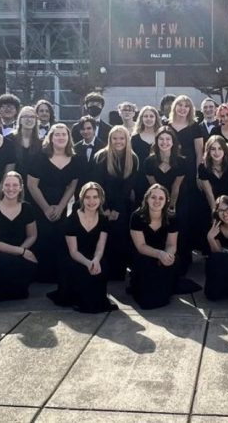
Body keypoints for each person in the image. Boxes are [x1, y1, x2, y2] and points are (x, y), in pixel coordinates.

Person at [47, 182, 116, 313]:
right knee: (81, 270)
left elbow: (100, 247)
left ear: (101, 199)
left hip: (93, 254)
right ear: (82, 199)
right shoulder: (71, 220)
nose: (91, 201)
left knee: (103, 266)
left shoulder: (103, 220)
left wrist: (95, 261)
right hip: (75, 257)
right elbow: (73, 251)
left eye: (95, 197)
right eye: (87, 197)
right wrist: (88, 263)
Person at [27, 124, 81, 282]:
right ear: (50, 138)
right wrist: (45, 208)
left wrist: (61, 206)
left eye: (64, 134)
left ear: (68, 138)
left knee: (59, 239)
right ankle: (40, 276)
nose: (61, 137)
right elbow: (31, 185)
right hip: (40, 203)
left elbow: (72, 185)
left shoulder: (75, 159)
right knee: (42, 238)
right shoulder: (39, 157)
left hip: (61, 204)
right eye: (57, 134)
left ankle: (57, 276)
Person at [91, 126, 138, 281]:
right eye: (115, 138)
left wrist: (116, 209)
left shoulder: (133, 158)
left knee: (120, 236)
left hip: (122, 205)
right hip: (101, 204)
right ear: (110, 139)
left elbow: (127, 187)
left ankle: (118, 272)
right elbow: (97, 185)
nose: (118, 141)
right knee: (103, 236)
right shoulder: (101, 157)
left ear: (127, 140)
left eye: (122, 138)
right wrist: (104, 208)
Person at [0, 171, 38, 301]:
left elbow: (32, 235)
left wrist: (22, 250)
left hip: (21, 248)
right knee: (5, 262)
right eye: (7, 185)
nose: (11, 189)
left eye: (14, 185)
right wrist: (21, 252)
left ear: (20, 187)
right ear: (2, 186)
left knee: (31, 264)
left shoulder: (27, 208)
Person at [128, 184, 179, 309]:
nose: (157, 201)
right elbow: (140, 246)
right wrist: (159, 254)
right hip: (143, 255)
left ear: (166, 200)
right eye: (153, 197)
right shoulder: (136, 217)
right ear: (147, 199)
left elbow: (172, 244)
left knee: (174, 262)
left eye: (161, 198)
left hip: (163, 253)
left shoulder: (172, 217)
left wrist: (168, 255)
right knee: (147, 298)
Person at [169, 95, 206, 254]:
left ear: (191, 109)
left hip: (190, 172)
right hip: (170, 171)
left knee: (187, 210)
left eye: (186, 106)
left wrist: (198, 174)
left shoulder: (195, 126)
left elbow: (200, 153)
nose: (183, 108)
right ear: (174, 107)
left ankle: (187, 248)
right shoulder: (166, 125)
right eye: (180, 105)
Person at [198, 135, 228, 218]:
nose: (217, 152)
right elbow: (209, 194)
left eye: (220, 148)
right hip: (214, 202)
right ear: (208, 151)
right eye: (213, 149)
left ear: (224, 150)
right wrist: (216, 215)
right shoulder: (203, 168)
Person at [8, 105, 43, 179]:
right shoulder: (9, 140)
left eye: (32, 117)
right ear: (20, 120)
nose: (29, 119)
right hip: (13, 185)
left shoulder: (42, 142)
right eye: (26, 116)